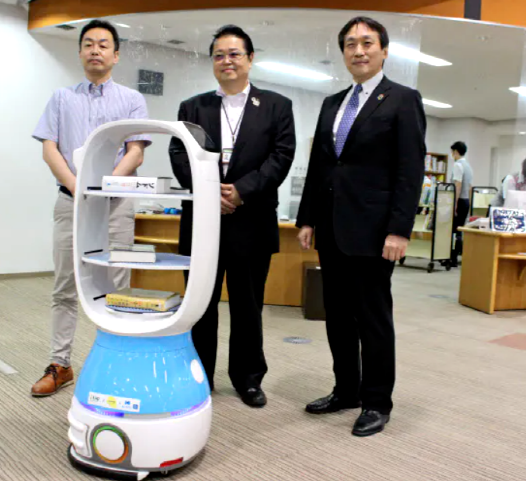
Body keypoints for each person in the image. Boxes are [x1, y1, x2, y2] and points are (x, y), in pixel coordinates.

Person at [296, 16, 426, 436]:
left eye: (367, 42)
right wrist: (307, 217)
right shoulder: (332, 103)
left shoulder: (402, 99)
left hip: (374, 231)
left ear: (384, 51)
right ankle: (346, 390)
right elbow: (320, 165)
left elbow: (410, 170)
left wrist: (399, 229)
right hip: (332, 228)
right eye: (350, 44)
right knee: (337, 316)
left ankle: (376, 402)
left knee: (372, 319)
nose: (359, 50)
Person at [169, 25, 295, 407]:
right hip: (203, 224)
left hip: (251, 221)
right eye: (219, 55)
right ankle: (199, 376)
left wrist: (241, 191)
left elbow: (281, 157)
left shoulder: (276, 106)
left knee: (248, 306)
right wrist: (211, 193)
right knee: (200, 306)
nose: (227, 61)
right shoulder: (193, 108)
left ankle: (248, 379)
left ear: (250, 59)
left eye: (234, 53)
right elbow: (179, 154)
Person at [31, 19, 151, 397]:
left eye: (103, 44)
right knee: (65, 286)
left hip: (116, 206)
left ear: (116, 55)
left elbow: (135, 151)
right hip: (71, 203)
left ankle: (113, 364)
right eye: (88, 44)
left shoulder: (132, 99)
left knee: (117, 287)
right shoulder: (61, 98)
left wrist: (104, 188)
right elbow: (50, 149)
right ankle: (60, 364)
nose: (95, 50)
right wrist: (78, 186)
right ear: (80, 52)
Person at [450, 141, 474, 266]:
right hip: (466, 200)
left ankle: (452, 257)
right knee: (459, 229)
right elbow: (470, 186)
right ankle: (456, 256)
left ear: (455, 152)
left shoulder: (458, 165)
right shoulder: (468, 166)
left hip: (459, 200)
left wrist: (454, 203)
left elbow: (457, 185)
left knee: (454, 229)